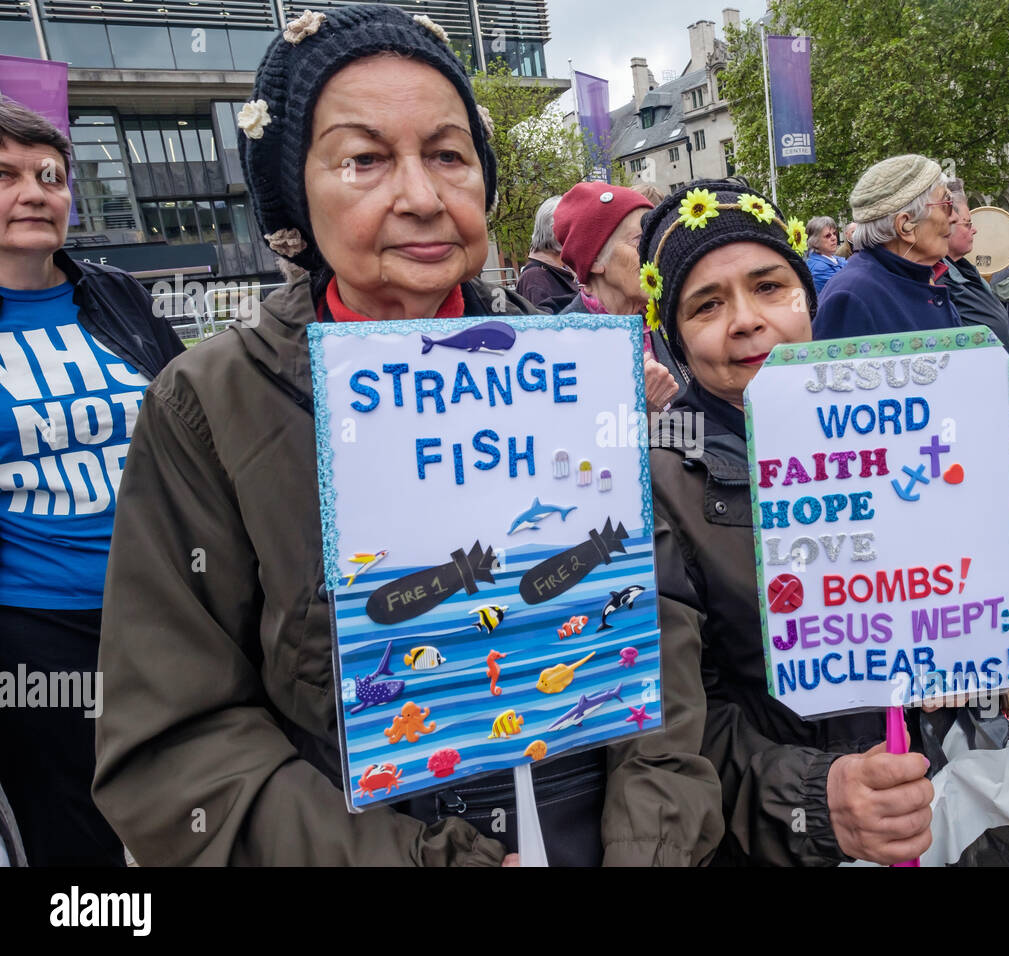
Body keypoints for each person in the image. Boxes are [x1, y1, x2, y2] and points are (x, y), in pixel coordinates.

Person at [93, 5, 721, 867]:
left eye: (448, 156)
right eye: (364, 160)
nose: (422, 198)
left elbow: (658, 633)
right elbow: (177, 746)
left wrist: (649, 846)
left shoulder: (571, 371)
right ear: (294, 196)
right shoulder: (208, 404)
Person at [637, 180, 935, 865]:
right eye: (707, 304)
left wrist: (971, 673)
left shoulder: (892, 427)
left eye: (769, 286)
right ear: (676, 338)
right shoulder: (655, 482)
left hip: (909, 804)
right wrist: (818, 798)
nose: (745, 320)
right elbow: (673, 731)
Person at [0, 97, 185, 866]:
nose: (34, 192)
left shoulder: (116, 296)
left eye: (51, 175)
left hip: (164, 604)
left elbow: (192, 418)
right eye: (4, 176)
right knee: (75, 821)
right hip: (37, 630)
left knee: (188, 791)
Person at [816, 155, 1009, 413]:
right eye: (947, 206)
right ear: (906, 226)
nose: (954, 219)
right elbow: (845, 429)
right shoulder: (854, 296)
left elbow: (978, 390)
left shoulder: (917, 278)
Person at [553, 182, 683, 409]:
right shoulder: (561, 343)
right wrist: (644, 407)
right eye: (640, 241)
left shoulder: (666, 320)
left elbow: (700, 425)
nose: (655, 253)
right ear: (595, 260)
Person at [937, 179, 1009, 352]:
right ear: (945, 225)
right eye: (967, 224)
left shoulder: (963, 269)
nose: (974, 230)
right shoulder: (937, 279)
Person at [513, 195, 578, 312]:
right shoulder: (535, 278)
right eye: (575, 228)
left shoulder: (561, 269)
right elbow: (543, 327)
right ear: (557, 231)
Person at [804, 215, 845, 293]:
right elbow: (847, 286)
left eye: (834, 233)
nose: (834, 238)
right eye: (827, 236)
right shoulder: (818, 268)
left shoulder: (835, 259)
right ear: (815, 242)